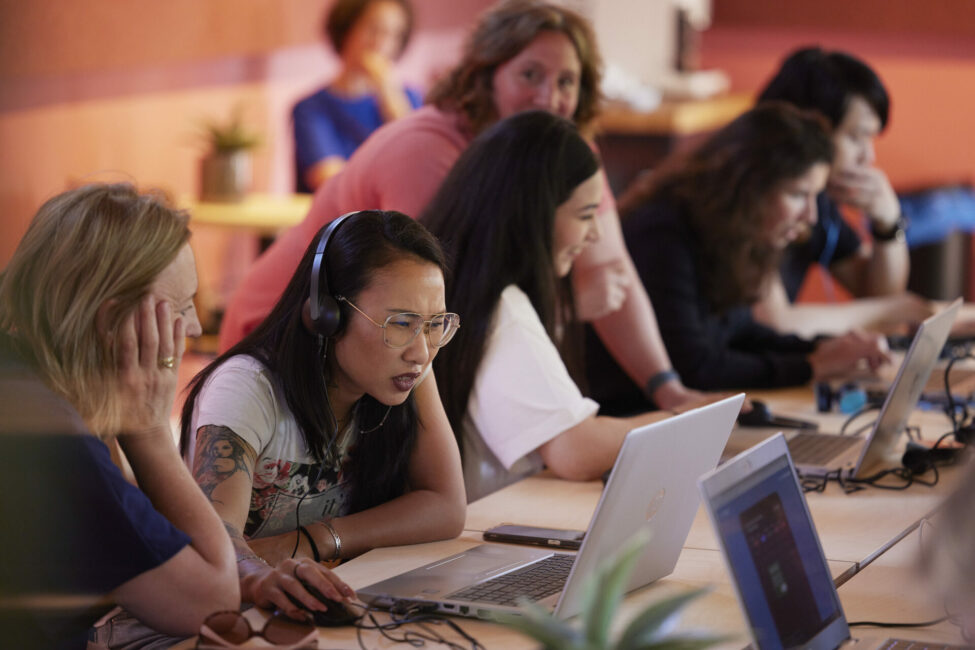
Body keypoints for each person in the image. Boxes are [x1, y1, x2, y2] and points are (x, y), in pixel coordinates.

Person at [221, 0, 701, 412]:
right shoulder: (427, 149)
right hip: (287, 336)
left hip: (378, 345)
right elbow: (441, 311)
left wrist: (669, 390)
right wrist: (567, 306)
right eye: (530, 74)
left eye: (567, 82)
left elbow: (612, 269)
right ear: (486, 75)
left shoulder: (565, 153)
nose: (549, 97)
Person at [180, 211, 466, 610]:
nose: (420, 352)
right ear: (326, 314)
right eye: (401, 323)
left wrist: (312, 540)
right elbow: (214, 539)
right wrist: (271, 571)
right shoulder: (246, 387)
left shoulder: (410, 367)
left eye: (435, 324)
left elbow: (445, 506)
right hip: (218, 614)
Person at [0, 184, 238, 649]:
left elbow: (131, 538)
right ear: (113, 324)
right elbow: (212, 604)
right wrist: (148, 429)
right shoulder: (48, 442)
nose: (194, 326)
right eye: (183, 306)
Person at [421, 110, 669, 502]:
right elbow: (577, 450)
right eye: (586, 214)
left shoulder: (462, 286)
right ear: (532, 213)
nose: (595, 233)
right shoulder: (502, 307)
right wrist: (677, 422)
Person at [599, 104, 891, 392]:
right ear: (749, 185)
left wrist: (827, 347)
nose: (810, 216)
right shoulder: (663, 233)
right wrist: (812, 365)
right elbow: (695, 367)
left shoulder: (729, 234)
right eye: (798, 194)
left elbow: (740, 333)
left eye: (815, 196)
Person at [752, 46, 931, 338]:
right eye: (856, 137)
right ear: (808, 128)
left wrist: (888, 223)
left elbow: (876, 294)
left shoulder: (817, 202)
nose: (869, 156)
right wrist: (895, 310)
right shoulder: (749, 194)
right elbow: (773, 320)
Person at [293, 0, 420, 192]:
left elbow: (419, 164)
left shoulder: (409, 98)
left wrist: (390, 97)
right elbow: (329, 179)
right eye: (373, 29)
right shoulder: (311, 108)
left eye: (394, 34)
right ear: (346, 29)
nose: (381, 43)